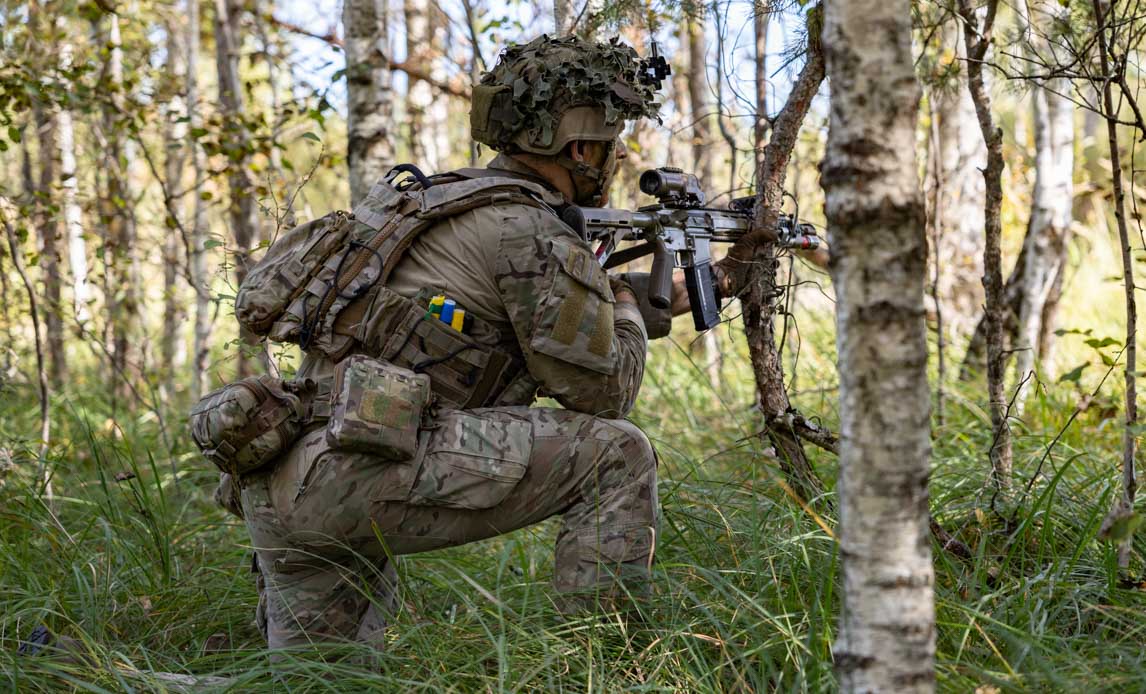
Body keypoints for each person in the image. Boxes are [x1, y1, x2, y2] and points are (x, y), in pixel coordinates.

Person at [236, 34, 685, 653]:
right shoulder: (528, 230)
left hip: (287, 470)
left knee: (322, 683)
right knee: (618, 455)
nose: (616, 158)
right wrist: (629, 311)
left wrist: (614, 301)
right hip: (358, 475)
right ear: (579, 147)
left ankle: (77, 671)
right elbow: (606, 393)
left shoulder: (426, 200)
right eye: (611, 145)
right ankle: (606, 667)